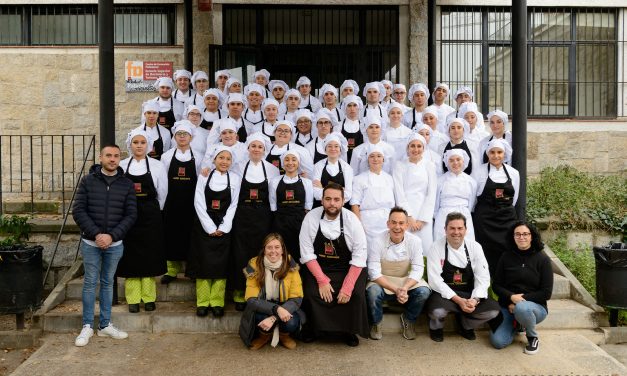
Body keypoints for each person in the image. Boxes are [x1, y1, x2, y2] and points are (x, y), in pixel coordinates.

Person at [73, 144, 137, 347]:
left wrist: (111, 236)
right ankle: (87, 326)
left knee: (108, 283)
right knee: (91, 282)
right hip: (91, 242)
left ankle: (105, 325)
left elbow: (131, 214)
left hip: (115, 243)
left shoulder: (126, 184)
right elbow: (79, 211)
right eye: (108, 155)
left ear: (120, 159)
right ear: (100, 157)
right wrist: (97, 234)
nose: (112, 159)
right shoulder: (88, 181)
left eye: (116, 156)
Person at [299, 182, 369, 346]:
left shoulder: (352, 220)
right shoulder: (311, 218)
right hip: (319, 267)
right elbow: (307, 253)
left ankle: (348, 331)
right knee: (311, 292)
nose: (332, 203)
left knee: (356, 294)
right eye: (328, 199)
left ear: (343, 201)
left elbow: (360, 256)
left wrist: (348, 286)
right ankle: (315, 329)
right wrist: (321, 280)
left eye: (336, 199)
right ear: (322, 200)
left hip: (347, 268)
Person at [425, 212, 501, 342]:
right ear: (445, 229)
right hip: (445, 295)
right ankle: (436, 328)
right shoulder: (436, 247)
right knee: (437, 311)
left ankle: (465, 325)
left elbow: (483, 278)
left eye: (460, 228)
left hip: (469, 293)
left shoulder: (475, 247)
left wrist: (474, 300)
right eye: (452, 228)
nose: (456, 232)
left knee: (493, 311)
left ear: (466, 230)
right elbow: (435, 280)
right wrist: (458, 300)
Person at [118, 130, 167, 313]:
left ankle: (148, 298)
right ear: (130, 145)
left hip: (150, 215)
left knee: (149, 257)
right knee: (130, 257)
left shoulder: (157, 165)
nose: (139, 145)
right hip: (128, 214)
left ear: (149, 146)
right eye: (136, 142)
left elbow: (163, 192)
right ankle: (132, 298)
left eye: (142, 142)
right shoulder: (122, 165)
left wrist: (153, 210)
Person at [188, 146, 241, 317]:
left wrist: (224, 227)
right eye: (221, 158)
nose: (224, 161)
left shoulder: (235, 178)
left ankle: (217, 302)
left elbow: (234, 204)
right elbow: (199, 202)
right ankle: (203, 302)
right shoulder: (204, 176)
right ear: (214, 160)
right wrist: (209, 227)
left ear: (231, 162)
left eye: (227, 159)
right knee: (203, 266)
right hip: (204, 226)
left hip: (225, 225)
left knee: (221, 266)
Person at [230, 133, 280, 311]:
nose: (256, 149)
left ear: (264, 150)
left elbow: (273, 197)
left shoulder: (272, 170)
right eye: (253, 146)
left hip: (263, 218)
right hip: (242, 217)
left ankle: (258, 292)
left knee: (260, 255)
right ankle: (239, 293)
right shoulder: (237, 167)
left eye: (260, 147)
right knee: (240, 254)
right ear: (248, 148)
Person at [366, 207, 431, 340]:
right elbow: (373, 271)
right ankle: (376, 323)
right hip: (382, 281)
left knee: (424, 292)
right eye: (394, 222)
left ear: (407, 225)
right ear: (388, 224)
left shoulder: (415, 242)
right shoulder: (377, 241)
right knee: (372, 292)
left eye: (401, 223)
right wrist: (396, 289)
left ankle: (408, 320)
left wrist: (405, 288)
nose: (397, 227)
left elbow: (418, 268)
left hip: (404, 281)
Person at [490, 221, 553, 355]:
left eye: (525, 234)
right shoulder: (505, 257)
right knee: (498, 342)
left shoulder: (543, 259)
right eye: (517, 234)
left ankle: (532, 337)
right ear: (513, 237)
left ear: (532, 236)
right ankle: (517, 324)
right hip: (507, 307)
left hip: (535, 308)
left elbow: (546, 293)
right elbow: (496, 285)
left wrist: (519, 301)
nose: (521, 237)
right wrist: (510, 298)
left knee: (522, 308)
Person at [243, 233, 304, 350]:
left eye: (277, 247)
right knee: (258, 318)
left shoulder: (291, 265)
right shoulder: (254, 265)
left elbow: (296, 298)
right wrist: (277, 309)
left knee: (291, 323)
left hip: (286, 305)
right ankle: (264, 336)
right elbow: (251, 299)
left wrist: (274, 317)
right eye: (269, 247)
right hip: (263, 305)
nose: (273, 251)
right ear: (264, 250)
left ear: (282, 250)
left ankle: (284, 336)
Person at [160, 123, 203, 284]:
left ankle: (191, 270)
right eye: (179, 134)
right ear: (174, 137)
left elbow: (201, 182)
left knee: (191, 237)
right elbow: (163, 182)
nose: (182, 136)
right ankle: (171, 270)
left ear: (191, 137)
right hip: (172, 204)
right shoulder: (166, 156)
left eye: (185, 134)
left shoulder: (198, 157)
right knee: (171, 237)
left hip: (191, 204)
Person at [472, 139, 520, 274]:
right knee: (485, 252)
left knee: (507, 249)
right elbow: (473, 197)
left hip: (507, 219)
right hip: (485, 220)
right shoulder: (478, 172)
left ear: (505, 154)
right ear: (487, 154)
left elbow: (514, 199)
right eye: (492, 152)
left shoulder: (514, 173)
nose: (496, 155)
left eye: (499, 152)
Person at [393, 133, 437, 253]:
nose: (416, 149)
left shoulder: (429, 165)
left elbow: (431, 194)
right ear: (407, 148)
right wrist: (409, 217)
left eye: (419, 146)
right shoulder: (399, 166)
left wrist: (422, 220)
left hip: (424, 214)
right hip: (405, 214)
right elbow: (399, 193)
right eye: (412, 146)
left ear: (424, 148)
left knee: (426, 248)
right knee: (406, 248)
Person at [269, 149, 314, 262]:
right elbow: (273, 205)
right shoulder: (274, 182)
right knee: (282, 251)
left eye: (294, 160)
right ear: (283, 163)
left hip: (299, 223)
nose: (290, 163)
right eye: (287, 159)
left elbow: (308, 207)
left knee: (299, 251)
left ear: (298, 163)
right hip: (280, 223)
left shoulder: (306, 182)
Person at [350, 144, 395, 246]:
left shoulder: (390, 179)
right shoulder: (359, 179)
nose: (375, 159)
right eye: (372, 156)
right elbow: (355, 204)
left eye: (379, 156)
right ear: (367, 159)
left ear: (383, 159)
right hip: (368, 223)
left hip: (387, 221)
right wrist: (359, 225)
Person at [434, 149, 477, 242]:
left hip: (464, 215)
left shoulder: (471, 181)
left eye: (458, 159)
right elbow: (436, 203)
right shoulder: (440, 181)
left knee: (466, 244)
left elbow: (472, 203)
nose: (455, 163)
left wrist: (465, 211)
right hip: (443, 216)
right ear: (447, 162)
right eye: (451, 160)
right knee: (442, 243)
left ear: (463, 161)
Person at [312, 133, 353, 208]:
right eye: (329, 146)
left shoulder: (347, 168)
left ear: (340, 150)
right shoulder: (318, 166)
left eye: (336, 146)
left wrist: (322, 189)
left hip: (341, 208)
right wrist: (340, 192)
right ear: (325, 149)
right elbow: (315, 193)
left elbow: (348, 194)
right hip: (320, 207)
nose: (333, 149)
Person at [339, 95, 364, 162]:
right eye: (349, 105)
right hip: (343, 162)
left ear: (359, 107)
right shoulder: (338, 126)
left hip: (360, 162)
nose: (352, 108)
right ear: (345, 108)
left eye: (354, 105)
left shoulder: (364, 125)